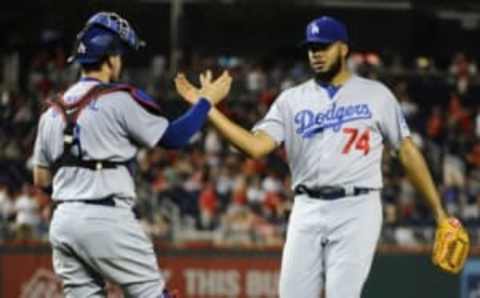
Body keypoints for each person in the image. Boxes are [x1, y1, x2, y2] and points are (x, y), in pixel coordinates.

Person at [175, 16, 462, 298]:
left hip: (357, 208)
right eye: (312, 47)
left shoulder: (376, 95)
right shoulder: (291, 100)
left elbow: (407, 152)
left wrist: (439, 213)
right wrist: (207, 109)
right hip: (306, 208)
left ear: (343, 48)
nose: (316, 53)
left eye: (324, 46)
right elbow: (254, 146)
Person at [32, 12, 231, 297]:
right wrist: (206, 102)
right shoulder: (119, 99)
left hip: (63, 221)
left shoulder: (51, 111)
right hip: (105, 217)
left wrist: (75, 190)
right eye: (120, 56)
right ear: (111, 58)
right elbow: (173, 138)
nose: (121, 62)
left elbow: (40, 179)